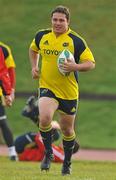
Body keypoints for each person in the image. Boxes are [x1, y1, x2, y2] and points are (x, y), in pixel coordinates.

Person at [29, 5, 95, 175]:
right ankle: (49, 153)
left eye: (61, 20)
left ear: (68, 22)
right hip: (47, 87)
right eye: (55, 20)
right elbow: (33, 49)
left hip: (69, 93)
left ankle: (67, 162)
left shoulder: (76, 41)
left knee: (67, 130)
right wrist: (34, 67)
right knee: (44, 118)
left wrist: (75, 66)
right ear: (51, 20)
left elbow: (91, 63)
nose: (57, 23)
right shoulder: (42, 36)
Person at [0, 41, 17, 161]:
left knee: (2, 121)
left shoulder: (4, 49)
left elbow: (8, 71)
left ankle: (12, 152)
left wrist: (10, 91)